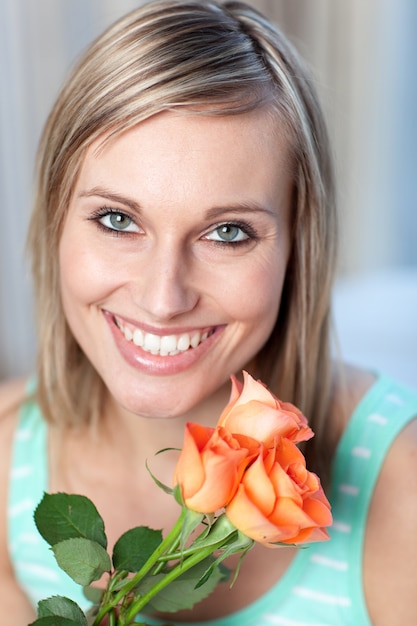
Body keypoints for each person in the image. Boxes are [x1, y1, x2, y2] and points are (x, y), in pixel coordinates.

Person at [0, 1, 416, 624]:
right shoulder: (4, 459)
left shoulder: (399, 485)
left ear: (300, 246)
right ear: (56, 223)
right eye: (118, 220)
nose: (163, 298)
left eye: (227, 233)